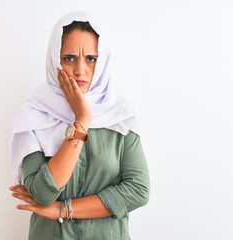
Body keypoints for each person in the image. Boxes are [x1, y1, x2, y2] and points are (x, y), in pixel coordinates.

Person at [9, 11, 150, 240]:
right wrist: (82, 120)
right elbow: (43, 193)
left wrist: (62, 210)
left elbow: (138, 191)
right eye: (69, 58)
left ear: (102, 61)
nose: (80, 70)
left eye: (91, 59)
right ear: (55, 59)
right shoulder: (33, 115)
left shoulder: (120, 114)